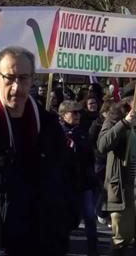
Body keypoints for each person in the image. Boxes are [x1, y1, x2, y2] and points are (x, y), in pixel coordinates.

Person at [0, 46, 71, 256]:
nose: (16, 87)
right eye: (9, 78)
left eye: (23, 78)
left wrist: (65, 222)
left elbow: (68, 176)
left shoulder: (48, 125)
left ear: (32, 79)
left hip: (45, 239)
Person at [97, 97, 136, 255]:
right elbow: (102, 145)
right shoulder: (115, 116)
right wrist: (125, 123)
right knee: (122, 241)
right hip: (123, 189)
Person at [58, 100, 98, 255]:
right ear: (63, 115)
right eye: (73, 112)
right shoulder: (57, 133)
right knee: (66, 217)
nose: (77, 115)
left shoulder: (82, 132)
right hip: (66, 183)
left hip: (84, 182)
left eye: (78, 112)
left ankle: (93, 249)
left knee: (89, 215)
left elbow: (89, 155)